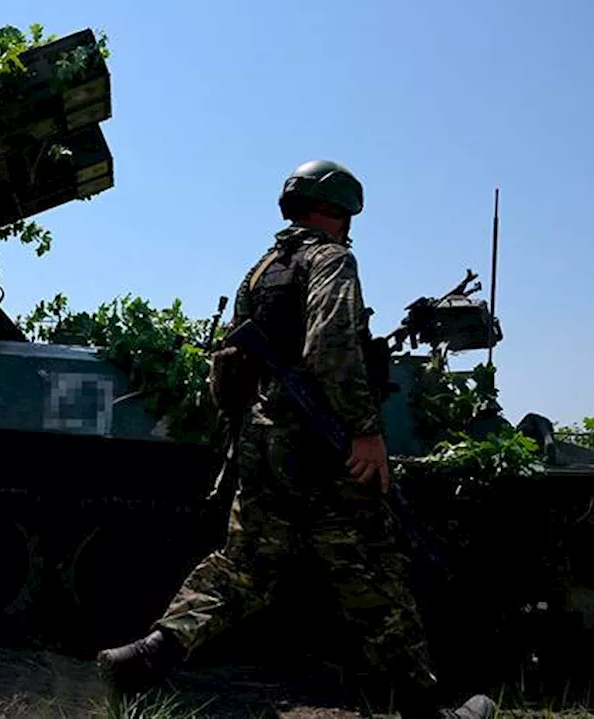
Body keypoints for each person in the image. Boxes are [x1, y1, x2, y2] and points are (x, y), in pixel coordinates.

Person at [94, 160, 498, 719]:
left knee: (242, 568)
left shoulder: (260, 272)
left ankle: (142, 658)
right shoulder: (331, 260)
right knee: (372, 570)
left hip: (265, 443)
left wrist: (255, 431)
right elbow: (330, 347)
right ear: (340, 211)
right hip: (324, 446)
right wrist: (364, 432)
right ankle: (425, 709)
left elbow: (228, 370)